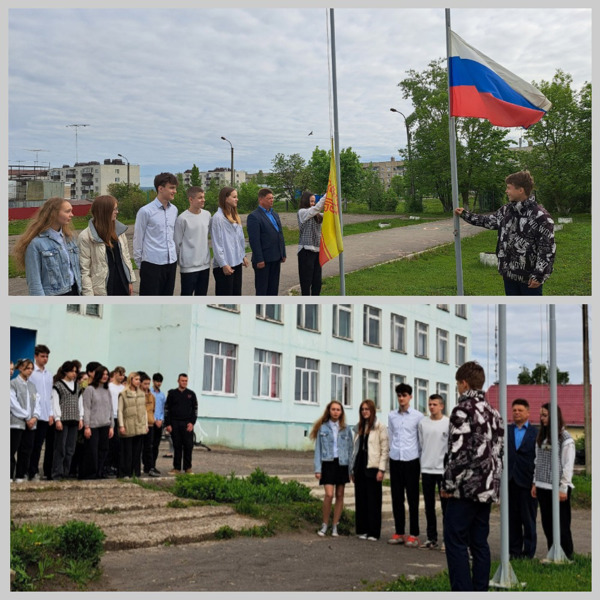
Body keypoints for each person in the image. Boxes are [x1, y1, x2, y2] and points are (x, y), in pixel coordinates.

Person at [441, 361, 504, 592]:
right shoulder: (494, 412)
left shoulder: (462, 410)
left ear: (464, 383)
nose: (457, 388)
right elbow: (499, 452)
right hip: (486, 488)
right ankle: (480, 590)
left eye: (458, 383)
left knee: (455, 540)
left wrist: (449, 483)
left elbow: (459, 451)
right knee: (479, 542)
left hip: (465, 488)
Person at [454, 170, 555, 296]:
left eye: (509, 188)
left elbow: (547, 249)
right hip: (508, 274)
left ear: (521, 190)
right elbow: (488, 221)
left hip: (529, 280)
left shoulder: (541, 217)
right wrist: (465, 214)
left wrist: (539, 275)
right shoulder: (506, 210)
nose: (506, 191)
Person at [532, 403, 575, 559]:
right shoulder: (542, 437)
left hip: (557, 487)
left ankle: (567, 554)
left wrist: (563, 487)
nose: (542, 418)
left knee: (562, 523)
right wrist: (535, 482)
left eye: (545, 415)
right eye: (541, 415)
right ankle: (553, 552)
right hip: (543, 485)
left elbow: (568, 465)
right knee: (547, 524)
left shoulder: (565, 438)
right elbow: (537, 460)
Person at [13, 197, 82, 296]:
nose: (72, 215)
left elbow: (76, 269)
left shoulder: (70, 239)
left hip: (75, 291)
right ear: (54, 213)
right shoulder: (36, 244)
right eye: (68, 211)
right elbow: (34, 283)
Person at [387, 383, 424, 547]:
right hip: (396, 459)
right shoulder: (391, 416)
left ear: (410, 397)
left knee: (413, 498)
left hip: (412, 460)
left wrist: (421, 463)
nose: (401, 398)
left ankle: (414, 534)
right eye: (399, 395)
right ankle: (399, 532)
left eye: (404, 395)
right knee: (396, 497)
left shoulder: (418, 416)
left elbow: (420, 440)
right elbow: (391, 436)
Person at [310, 400, 353, 537]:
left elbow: (350, 449)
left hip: (342, 464)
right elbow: (318, 449)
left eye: (338, 410)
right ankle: (325, 524)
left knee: (340, 495)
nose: (335, 412)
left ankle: (335, 525)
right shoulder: (322, 428)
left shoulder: (346, 429)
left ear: (341, 412)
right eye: (333, 409)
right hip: (328, 463)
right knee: (329, 494)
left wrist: (350, 470)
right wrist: (318, 469)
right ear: (329, 411)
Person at [77, 194, 135, 295]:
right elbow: (84, 271)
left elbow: (125, 258)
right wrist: (89, 297)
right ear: (104, 211)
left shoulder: (119, 232)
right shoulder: (85, 237)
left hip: (122, 284)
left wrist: (129, 280)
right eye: (114, 209)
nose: (117, 212)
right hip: (102, 290)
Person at [133, 172, 179, 296]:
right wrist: (139, 264)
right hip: (152, 264)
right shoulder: (145, 211)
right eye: (171, 188)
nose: (174, 191)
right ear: (160, 188)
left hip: (171, 262)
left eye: (175, 188)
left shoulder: (174, 210)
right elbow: (138, 238)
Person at [350, 399, 388, 541]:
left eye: (367, 409)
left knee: (373, 500)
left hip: (373, 467)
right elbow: (355, 449)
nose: (365, 411)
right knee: (361, 499)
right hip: (360, 467)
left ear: (372, 411)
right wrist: (352, 469)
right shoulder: (358, 427)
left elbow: (385, 449)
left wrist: (381, 469)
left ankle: (373, 532)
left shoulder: (379, 427)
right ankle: (362, 529)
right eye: (362, 409)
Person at [418, 394, 450, 550]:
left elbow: (450, 447)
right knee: (429, 506)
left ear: (441, 406)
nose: (431, 407)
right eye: (429, 404)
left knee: (446, 507)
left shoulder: (448, 423)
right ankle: (431, 538)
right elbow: (421, 444)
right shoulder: (423, 423)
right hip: (426, 468)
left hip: (442, 470)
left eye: (435, 404)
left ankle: (447, 539)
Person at [507, 398, 538, 559]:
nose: (517, 413)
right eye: (514, 410)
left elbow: (538, 458)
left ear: (528, 412)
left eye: (520, 410)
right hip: (510, 481)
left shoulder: (536, 433)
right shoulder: (507, 431)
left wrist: (535, 481)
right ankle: (514, 551)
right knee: (512, 519)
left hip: (527, 482)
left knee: (528, 519)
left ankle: (529, 552)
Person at [246, 187, 286, 296]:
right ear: (261, 200)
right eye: (269, 198)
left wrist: (283, 253)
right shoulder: (254, 216)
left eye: (272, 198)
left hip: (276, 257)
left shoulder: (274, 214)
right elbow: (254, 240)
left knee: (273, 289)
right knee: (263, 290)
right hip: (263, 260)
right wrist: (259, 259)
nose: (272, 200)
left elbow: (280, 234)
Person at [210, 187, 249, 295]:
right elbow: (217, 243)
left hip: (236, 262)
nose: (237, 199)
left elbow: (240, 239)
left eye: (237, 197)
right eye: (234, 197)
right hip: (225, 265)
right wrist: (223, 264)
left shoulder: (235, 216)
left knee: (236, 295)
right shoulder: (217, 218)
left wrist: (243, 255)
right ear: (226, 198)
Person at [174, 186, 211, 296]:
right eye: (200, 198)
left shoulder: (207, 215)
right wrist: (181, 262)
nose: (203, 200)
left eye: (203, 197)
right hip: (189, 267)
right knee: (186, 296)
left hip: (205, 265)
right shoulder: (182, 219)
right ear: (191, 199)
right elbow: (177, 242)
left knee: (201, 296)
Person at [51, 360, 83, 481]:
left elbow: (80, 403)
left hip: (74, 420)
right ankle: (57, 473)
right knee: (60, 448)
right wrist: (57, 419)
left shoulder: (77, 386)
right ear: (65, 371)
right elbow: (55, 403)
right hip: (63, 420)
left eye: (76, 371)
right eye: (72, 371)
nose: (74, 374)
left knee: (70, 448)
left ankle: (66, 472)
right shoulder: (58, 385)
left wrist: (81, 418)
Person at [79, 365, 114, 480]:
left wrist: (111, 426)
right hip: (93, 425)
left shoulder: (107, 390)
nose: (105, 376)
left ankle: (100, 472)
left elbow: (111, 408)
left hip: (105, 424)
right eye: (103, 374)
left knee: (104, 450)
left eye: (107, 374)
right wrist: (87, 426)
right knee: (92, 451)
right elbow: (87, 408)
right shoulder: (90, 389)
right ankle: (90, 473)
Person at [27, 344, 55, 481]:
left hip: (44, 415)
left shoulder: (48, 375)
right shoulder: (31, 373)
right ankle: (25, 470)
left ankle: (34, 471)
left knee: (38, 445)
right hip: (33, 414)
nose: (45, 359)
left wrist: (50, 413)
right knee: (28, 444)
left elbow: (49, 396)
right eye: (42, 356)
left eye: (47, 356)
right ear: (36, 356)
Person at [10, 358, 40, 482]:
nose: (30, 371)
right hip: (16, 422)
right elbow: (13, 403)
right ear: (21, 368)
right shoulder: (13, 383)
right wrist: (27, 416)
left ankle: (20, 475)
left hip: (31, 423)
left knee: (26, 449)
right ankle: (9, 475)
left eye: (32, 369)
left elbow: (37, 402)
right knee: (12, 449)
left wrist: (34, 417)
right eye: (27, 368)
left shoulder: (32, 386)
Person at [164, 374, 198, 475]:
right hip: (175, 423)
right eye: (182, 380)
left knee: (188, 446)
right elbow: (167, 409)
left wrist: (192, 423)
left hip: (187, 424)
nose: (184, 382)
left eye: (186, 381)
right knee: (177, 446)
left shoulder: (191, 394)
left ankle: (188, 468)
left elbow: (195, 410)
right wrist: (168, 424)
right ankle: (176, 468)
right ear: (178, 381)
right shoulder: (172, 394)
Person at [117, 372, 148, 478]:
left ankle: (136, 473)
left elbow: (144, 411)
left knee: (137, 451)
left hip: (139, 424)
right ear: (131, 380)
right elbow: (120, 411)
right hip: (128, 424)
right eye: (136, 379)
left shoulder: (142, 393)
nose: (138, 381)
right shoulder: (123, 394)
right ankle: (125, 473)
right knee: (127, 451)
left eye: (139, 379)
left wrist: (146, 424)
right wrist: (121, 425)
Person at [297, 191, 325, 296]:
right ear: (305, 201)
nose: (313, 203)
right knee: (306, 282)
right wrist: (327, 195)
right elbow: (316, 209)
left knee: (317, 282)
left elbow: (328, 215)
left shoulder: (317, 215)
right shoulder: (302, 212)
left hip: (317, 251)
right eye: (311, 201)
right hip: (306, 251)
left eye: (314, 201)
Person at [106, 366, 126, 477]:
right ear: (115, 374)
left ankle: (116, 465)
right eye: (120, 374)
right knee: (111, 443)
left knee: (119, 444)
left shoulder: (123, 388)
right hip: (111, 416)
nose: (122, 376)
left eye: (123, 374)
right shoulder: (109, 387)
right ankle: (108, 466)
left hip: (120, 417)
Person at [139, 372, 160, 477]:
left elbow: (153, 409)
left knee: (149, 447)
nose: (147, 386)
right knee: (139, 447)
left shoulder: (152, 396)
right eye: (145, 384)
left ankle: (149, 467)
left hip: (150, 424)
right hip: (140, 424)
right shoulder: (138, 395)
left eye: (148, 383)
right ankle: (136, 467)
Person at [151, 373, 173, 461]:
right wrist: (154, 419)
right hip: (150, 421)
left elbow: (164, 408)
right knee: (149, 444)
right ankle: (147, 465)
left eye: (160, 382)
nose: (158, 383)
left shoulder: (162, 395)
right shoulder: (149, 393)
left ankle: (153, 464)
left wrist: (161, 419)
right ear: (153, 381)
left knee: (156, 444)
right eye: (157, 381)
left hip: (159, 422)